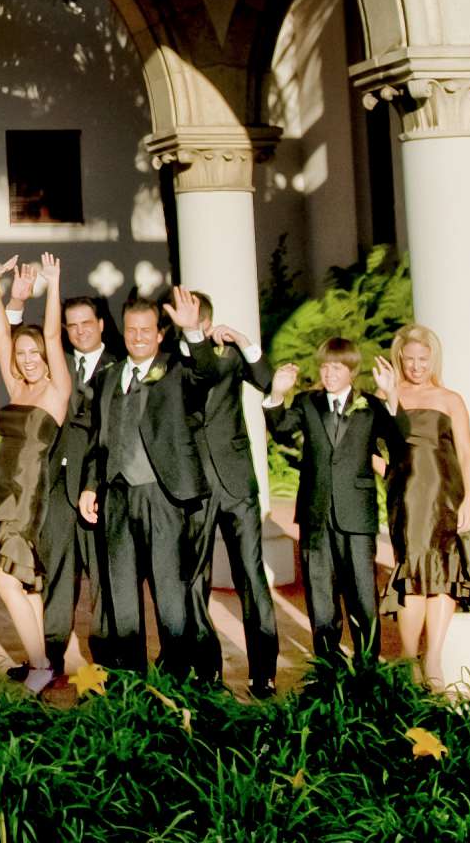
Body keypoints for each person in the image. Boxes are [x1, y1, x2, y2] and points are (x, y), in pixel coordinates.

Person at [79, 297, 210, 679]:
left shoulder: (177, 371)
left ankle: (178, 674)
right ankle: (130, 678)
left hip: (161, 494)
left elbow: (207, 373)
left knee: (170, 590)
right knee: (121, 590)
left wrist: (193, 332)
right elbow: (96, 439)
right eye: (131, 329)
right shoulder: (107, 376)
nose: (137, 337)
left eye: (145, 331)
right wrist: (90, 486)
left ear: (159, 334)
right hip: (116, 495)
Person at [172, 286, 282, 698]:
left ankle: (264, 674)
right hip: (195, 485)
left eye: (192, 317)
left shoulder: (231, 356)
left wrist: (246, 343)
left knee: (251, 577)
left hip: (236, 482)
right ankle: (208, 672)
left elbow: (269, 383)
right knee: (194, 581)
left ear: (206, 320)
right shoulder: (171, 362)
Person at [267, 336, 404, 664]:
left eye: (337, 367)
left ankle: (368, 663)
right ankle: (328, 663)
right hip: (315, 512)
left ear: (352, 371)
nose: (329, 374)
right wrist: (276, 394)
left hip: (356, 512)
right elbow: (283, 430)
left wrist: (393, 395)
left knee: (361, 591)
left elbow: (400, 440)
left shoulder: (370, 405)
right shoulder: (306, 402)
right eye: (325, 366)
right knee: (320, 591)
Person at [0, 254, 71, 691]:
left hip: (28, 492)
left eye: (35, 353)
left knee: (4, 576)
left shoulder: (55, 390)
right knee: (25, 584)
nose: (29, 359)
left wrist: (53, 285)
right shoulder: (17, 387)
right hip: (0, 489)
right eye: (22, 354)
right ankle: (43, 662)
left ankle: (39, 666)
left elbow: (51, 332)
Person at [376, 324, 470, 688]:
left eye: (422, 360)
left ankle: (435, 659)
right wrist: (391, 474)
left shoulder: (450, 399)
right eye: (409, 359)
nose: (415, 366)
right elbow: (369, 449)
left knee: (444, 572)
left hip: (446, 494)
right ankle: (409, 659)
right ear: (399, 360)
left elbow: (467, 455)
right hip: (407, 496)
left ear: (433, 360)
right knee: (411, 573)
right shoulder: (389, 397)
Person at [42, 293, 112, 677]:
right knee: (58, 574)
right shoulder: (59, 365)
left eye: (87, 322)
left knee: (103, 576)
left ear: (101, 324)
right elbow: (20, 356)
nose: (80, 330)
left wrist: (93, 483)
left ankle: (102, 660)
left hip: (100, 488)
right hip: (58, 487)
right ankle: (50, 658)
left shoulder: (119, 368)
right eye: (73, 325)